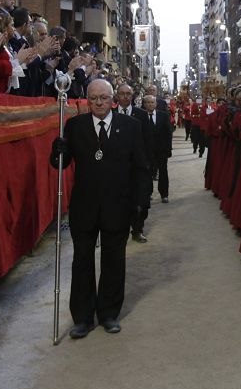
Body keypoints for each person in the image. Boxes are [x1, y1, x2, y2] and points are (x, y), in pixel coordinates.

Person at [52, 79, 150, 339]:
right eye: (93, 98)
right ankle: (82, 318)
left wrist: (141, 202)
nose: (98, 102)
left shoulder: (131, 127)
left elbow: (141, 167)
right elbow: (60, 163)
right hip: (84, 207)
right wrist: (57, 150)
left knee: (113, 261)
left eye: (103, 98)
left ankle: (108, 313)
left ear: (112, 99)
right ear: (87, 99)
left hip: (117, 205)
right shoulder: (74, 126)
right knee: (82, 261)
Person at [116, 83, 153, 242]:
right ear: (117, 96)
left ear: (132, 96)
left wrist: (149, 163)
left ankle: (137, 230)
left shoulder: (142, 115)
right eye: (122, 93)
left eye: (128, 94)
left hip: (138, 166)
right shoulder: (109, 114)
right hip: (116, 166)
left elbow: (148, 139)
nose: (125, 97)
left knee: (140, 201)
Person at [143, 94, 173, 202]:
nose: (150, 104)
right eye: (148, 102)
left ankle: (164, 194)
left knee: (163, 172)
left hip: (161, 150)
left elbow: (168, 133)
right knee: (148, 173)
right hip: (147, 151)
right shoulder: (141, 116)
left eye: (152, 102)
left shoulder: (163, 115)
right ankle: (148, 193)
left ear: (156, 104)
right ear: (144, 104)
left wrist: (169, 149)